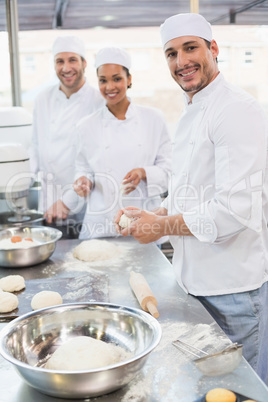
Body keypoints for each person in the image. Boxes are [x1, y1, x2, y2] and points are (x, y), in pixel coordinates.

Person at [115, 13, 268, 384]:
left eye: (190, 48)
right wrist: (156, 213)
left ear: (213, 49)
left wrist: (161, 226)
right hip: (195, 283)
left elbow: (233, 212)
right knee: (204, 388)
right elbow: (195, 192)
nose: (181, 61)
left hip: (231, 290)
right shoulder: (194, 107)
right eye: (171, 53)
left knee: (233, 391)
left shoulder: (236, 110)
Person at [58, 46, 171, 239]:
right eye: (103, 80)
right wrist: (84, 181)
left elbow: (170, 169)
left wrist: (144, 173)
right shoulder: (86, 126)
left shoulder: (153, 119)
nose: (110, 87)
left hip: (142, 220)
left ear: (129, 79)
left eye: (117, 78)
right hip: (100, 223)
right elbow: (83, 168)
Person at [29, 35, 104, 237]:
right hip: (49, 204)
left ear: (84, 63)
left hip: (84, 206)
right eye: (59, 61)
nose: (66, 67)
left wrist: (69, 200)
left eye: (72, 60)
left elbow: (98, 161)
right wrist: (21, 186)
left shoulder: (99, 101)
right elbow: (35, 145)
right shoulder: (42, 99)